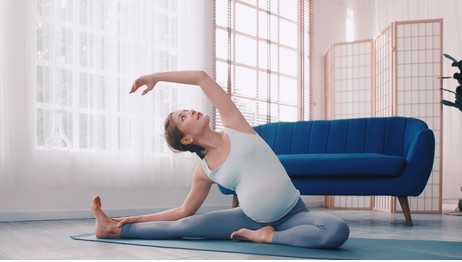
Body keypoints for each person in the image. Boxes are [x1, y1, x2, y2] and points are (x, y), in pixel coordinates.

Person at [91, 70, 350, 248]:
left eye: (185, 111)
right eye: (184, 117)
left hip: (294, 214)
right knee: (186, 226)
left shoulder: (235, 126)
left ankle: (267, 238)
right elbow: (183, 212)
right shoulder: (204, 171)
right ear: (186, 140)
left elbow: (201, 78)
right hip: (248, 219)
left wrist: (155, 77)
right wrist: (136, 219)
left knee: (337, 231)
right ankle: (112, 230)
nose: (190, 111)